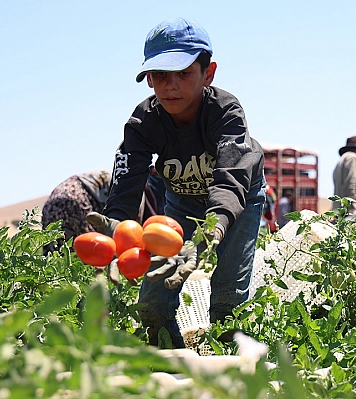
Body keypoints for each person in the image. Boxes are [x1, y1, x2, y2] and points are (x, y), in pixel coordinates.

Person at [86, 18, 266, 348]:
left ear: (208, 73)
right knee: (153, 304)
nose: (171, 85)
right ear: (148, 79)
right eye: (160, 76)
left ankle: (238, 375)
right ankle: (174, 373)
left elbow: (231, 181)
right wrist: (115, 229)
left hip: (237, 202)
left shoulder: (225, 112)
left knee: (227, 303)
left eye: (183, 73)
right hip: (180, 202)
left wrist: (212, 229)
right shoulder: (143, 122)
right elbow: (127, 185)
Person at [41, 170, 111, 253]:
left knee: (55, 251)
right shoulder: (122, 183)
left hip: (53, 204)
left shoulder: (117, 175)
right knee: (90, 250)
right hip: (75, 202)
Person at [332, 136, 356, 214]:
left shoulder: (342, 160)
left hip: (339, 209)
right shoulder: (352, 158)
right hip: (349, 210)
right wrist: (352, 206)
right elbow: (350, 182)